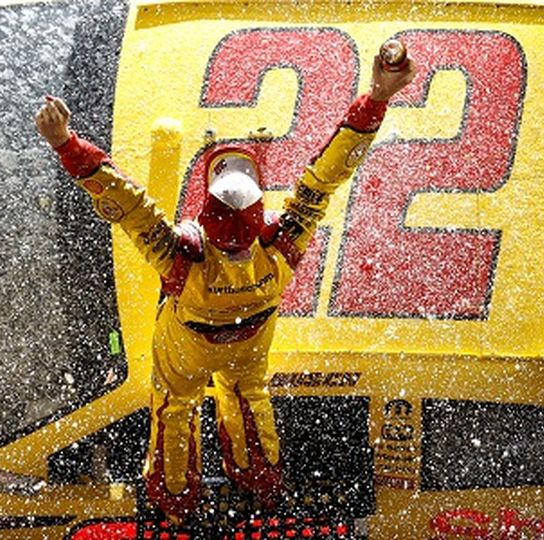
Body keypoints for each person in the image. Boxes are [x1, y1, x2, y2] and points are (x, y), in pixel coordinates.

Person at [35, 54, 416, 522]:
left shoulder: (181, 253)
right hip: (249, 345)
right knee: (249, 399)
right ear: (259, 214)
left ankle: (176, 501)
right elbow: (327, 177)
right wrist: (376, 99)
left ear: (206, 210)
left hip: (186, 348)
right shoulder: (283, 242)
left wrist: (66, 144)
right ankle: (262, 484)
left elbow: (128, 204)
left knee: (175, 411)